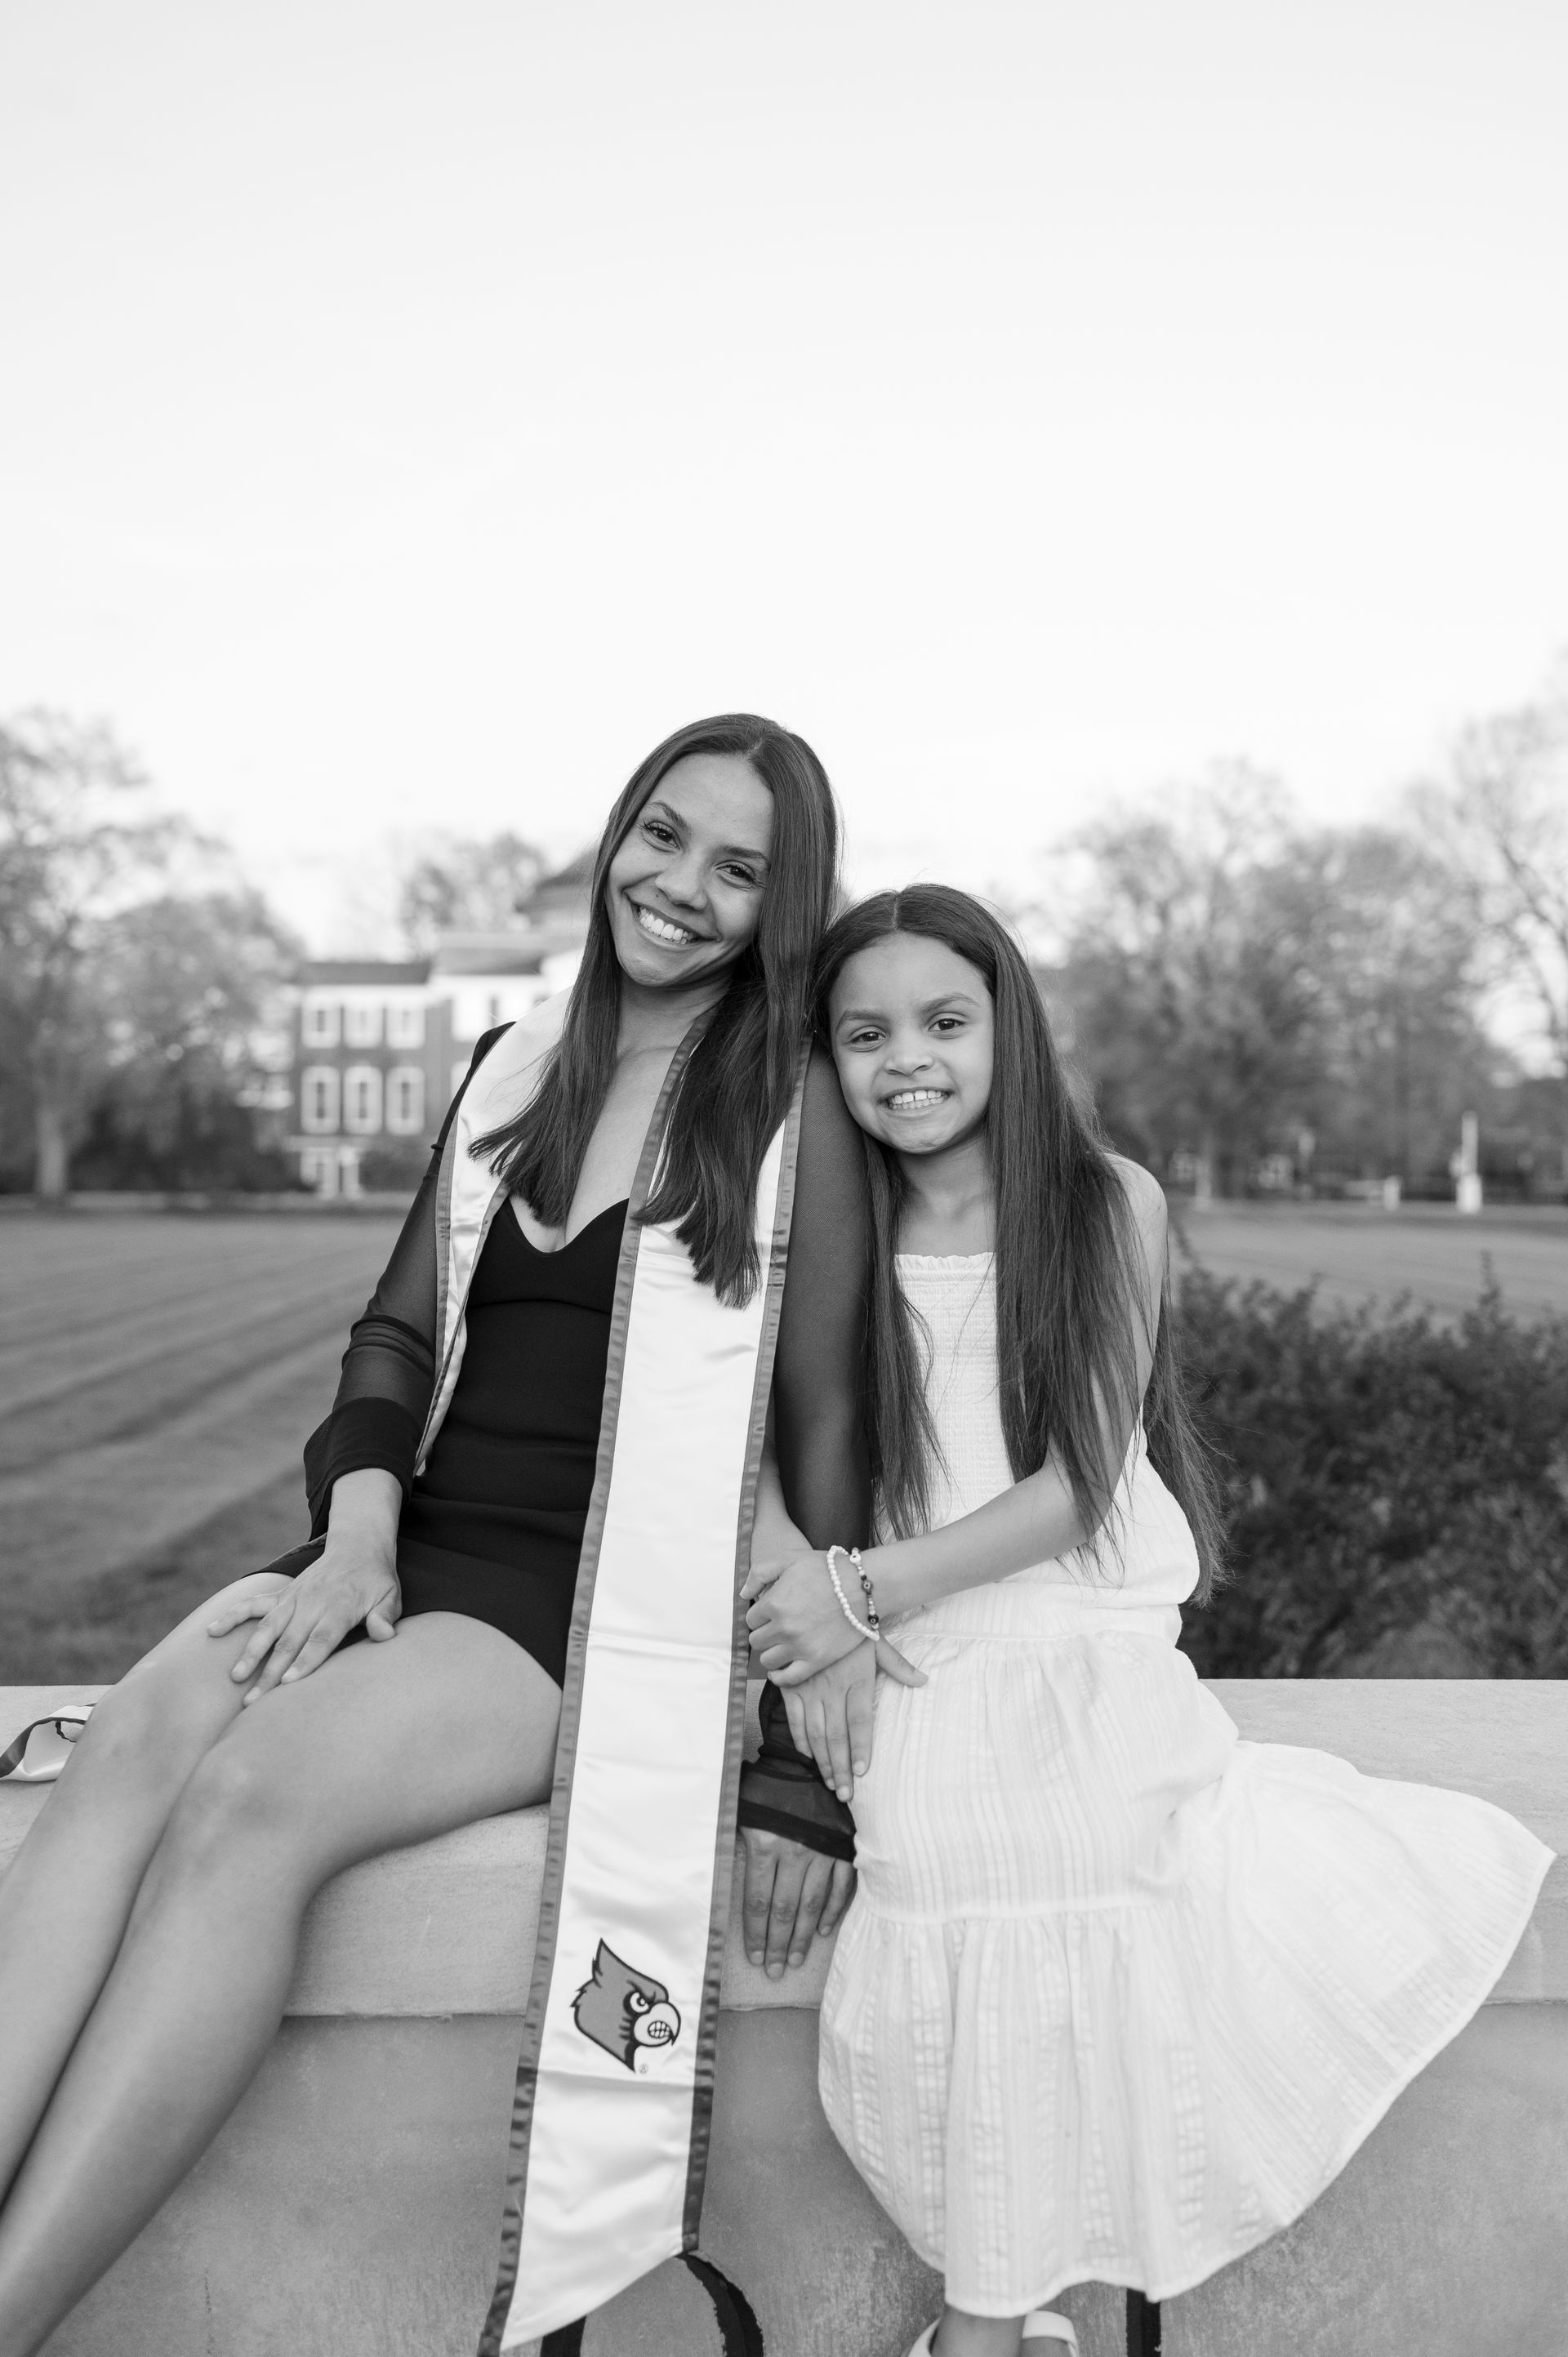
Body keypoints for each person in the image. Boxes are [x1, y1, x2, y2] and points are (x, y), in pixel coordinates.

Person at [0, 715, 885, 2357]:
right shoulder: (518, 1065)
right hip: (400, 1541)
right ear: (617, 832)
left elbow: (829, 1436)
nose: (682, 887)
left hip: (579, 1595)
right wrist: (352, 1538)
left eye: (740, 869)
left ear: (784, 908)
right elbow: (394, 1340)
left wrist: (793, 1767)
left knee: (251, 1804)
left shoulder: (794, 1114)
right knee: (129, 1748)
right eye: (664, 835)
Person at [744, 884, 1552, 2357]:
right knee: (947, 1874)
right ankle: (1008, 2309)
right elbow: (737, 1445)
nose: (905, 1058)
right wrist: (827, 1626)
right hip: (920, 1654)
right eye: (864, 1033)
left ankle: (986, 2329)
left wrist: (860, 1591)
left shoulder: (1106, 1202)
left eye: (943, 1020)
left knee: (1085, 1849)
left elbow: (1078, 1485)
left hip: (1074, 1633)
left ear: (1008, 1023)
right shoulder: (821, 1222)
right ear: (828, 1056)